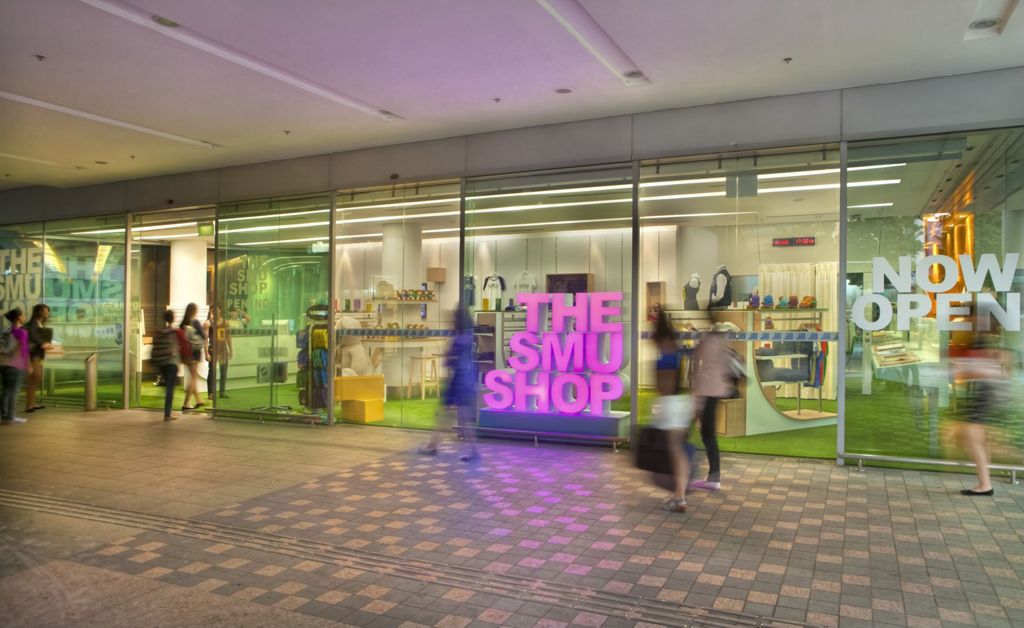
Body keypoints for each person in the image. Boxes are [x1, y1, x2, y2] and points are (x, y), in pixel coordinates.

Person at [953, 325, 1013, 496]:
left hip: (985, 394)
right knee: (977, 438)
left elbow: (985, 369)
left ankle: (985, 483)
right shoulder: (996, 339)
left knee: (972, 437)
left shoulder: (984, 339)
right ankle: (984, 481)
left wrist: (964, 369)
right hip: (988, 394)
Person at [418, 308, 479, 462]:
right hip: (464, 379)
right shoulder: (468, 336)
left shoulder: (459, 338)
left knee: (450, 415)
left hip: (458, 380)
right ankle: (434, 445)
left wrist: (447, 357)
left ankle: (434, 445)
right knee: (454, 416)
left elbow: (451, 358)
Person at [651, 308, 694, 513]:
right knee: (677, 450)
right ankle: (679, 494)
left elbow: (665, 385)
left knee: (675, 451)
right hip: (682, 403)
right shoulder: (677, 351)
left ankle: (679, 495)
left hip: (671, 404)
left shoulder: (665, 356)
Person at [690, 321, 740, 491]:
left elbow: (699, 372)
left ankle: (712, 477)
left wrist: (696, 400)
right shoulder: (723, 348)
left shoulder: (707, 344)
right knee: (707, 436)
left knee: (707, 436)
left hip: (706, 393)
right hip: (715, 392)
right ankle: (712, 476)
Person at [151, 310, 183, 421]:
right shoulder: (174, 332)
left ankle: (167, 412)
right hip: (171, 362)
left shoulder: (159, 332)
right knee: (170, 388)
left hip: (161, 362)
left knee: (168, 387)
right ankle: (167, 414)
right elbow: (178, 347)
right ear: (173, 318)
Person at [1, 308, 32, 424]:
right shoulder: (22, 332)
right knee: (14, 392)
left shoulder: (6, 330)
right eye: (23, 315)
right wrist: (28, 365)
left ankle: (4, 416)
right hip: (15, 365)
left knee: (5, 391)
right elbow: (24, 350)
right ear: (19, 317)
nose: (24, 317)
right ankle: (11, 417)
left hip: (3, 364)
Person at [24, 303, 52, 413]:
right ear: (39, 311)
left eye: (48, 311)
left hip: (39, 354)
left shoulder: (40, 323)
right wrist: (43, 344)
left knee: (36, 379)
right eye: (46, 311)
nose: (47, 313)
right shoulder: (32, 324)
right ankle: (29, 405)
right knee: (34, 379)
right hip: (33, 355)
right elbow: (34, 337)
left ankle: (32, 403)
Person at [179, 303, 205, 411]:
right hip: (195, 352)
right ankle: (186, 403)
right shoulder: (195, 322)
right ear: (194, 311)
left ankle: (198, 400)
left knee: (192, 376)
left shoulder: (183, 323)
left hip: (186, 353)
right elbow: (203, 336)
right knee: (193, 378)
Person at [205, 305, 232, 399]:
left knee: (223, 372)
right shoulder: (209, 323)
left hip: (223, 349)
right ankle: (211, 393)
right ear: (211, 311)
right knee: (212, 372)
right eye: (213, 310)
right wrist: (206, 352)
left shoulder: (225, 322)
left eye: (217, 309)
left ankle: (222, 391)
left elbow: (228, 336)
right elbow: (205, 339)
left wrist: (230, 349)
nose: (215, 312)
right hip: (213, 349)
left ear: (220, 311)